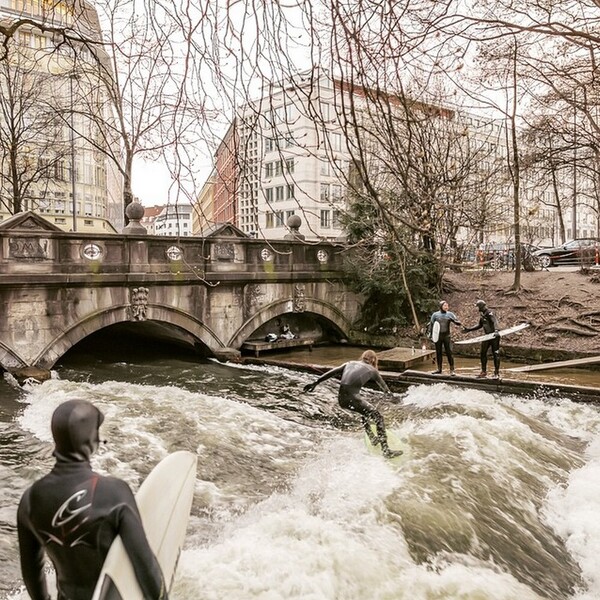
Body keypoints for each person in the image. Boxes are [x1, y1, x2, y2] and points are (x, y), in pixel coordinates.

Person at [17, 399, 168, 600]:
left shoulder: (30, 500)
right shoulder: (114, 493)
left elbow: (32, 572)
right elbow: (145, 566)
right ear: (90, 440)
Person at [303, 349, 402, 458]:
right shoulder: (373, 370)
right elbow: (386, 391)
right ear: (373, 360)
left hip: (341, 400)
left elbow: (331, 372)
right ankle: (386, 451)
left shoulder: (349, 363)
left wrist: (315, 383)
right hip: (352, 399)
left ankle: (372, 438)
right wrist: (396, 399)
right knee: (378, 417)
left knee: (365, 412)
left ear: (363, 357)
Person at [463, 299, 501, 378]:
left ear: (481, 306)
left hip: (494, 336)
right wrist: (469, 329)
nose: (477, 309)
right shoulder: (482, 315)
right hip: (487, 337)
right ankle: (483, 372)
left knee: (496, 354)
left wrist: (497, 330)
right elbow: (479, 325)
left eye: (477, 307)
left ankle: (496, 373)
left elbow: (495, 321)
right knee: (483, 353)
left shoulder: (489, 312)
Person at [429, 300, 462, 375]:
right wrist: (431, 336)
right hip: (438, 336)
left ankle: (452, 370)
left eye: (447, 305)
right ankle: (439, 369)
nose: (446, 307)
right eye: (445, 305)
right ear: (441, 306)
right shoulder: (435, 315)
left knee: (449, 352)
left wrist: (457, 322)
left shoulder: (450, 314)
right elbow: (432, 325)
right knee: (438, 353)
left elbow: (457, 322)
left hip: (447, 336)